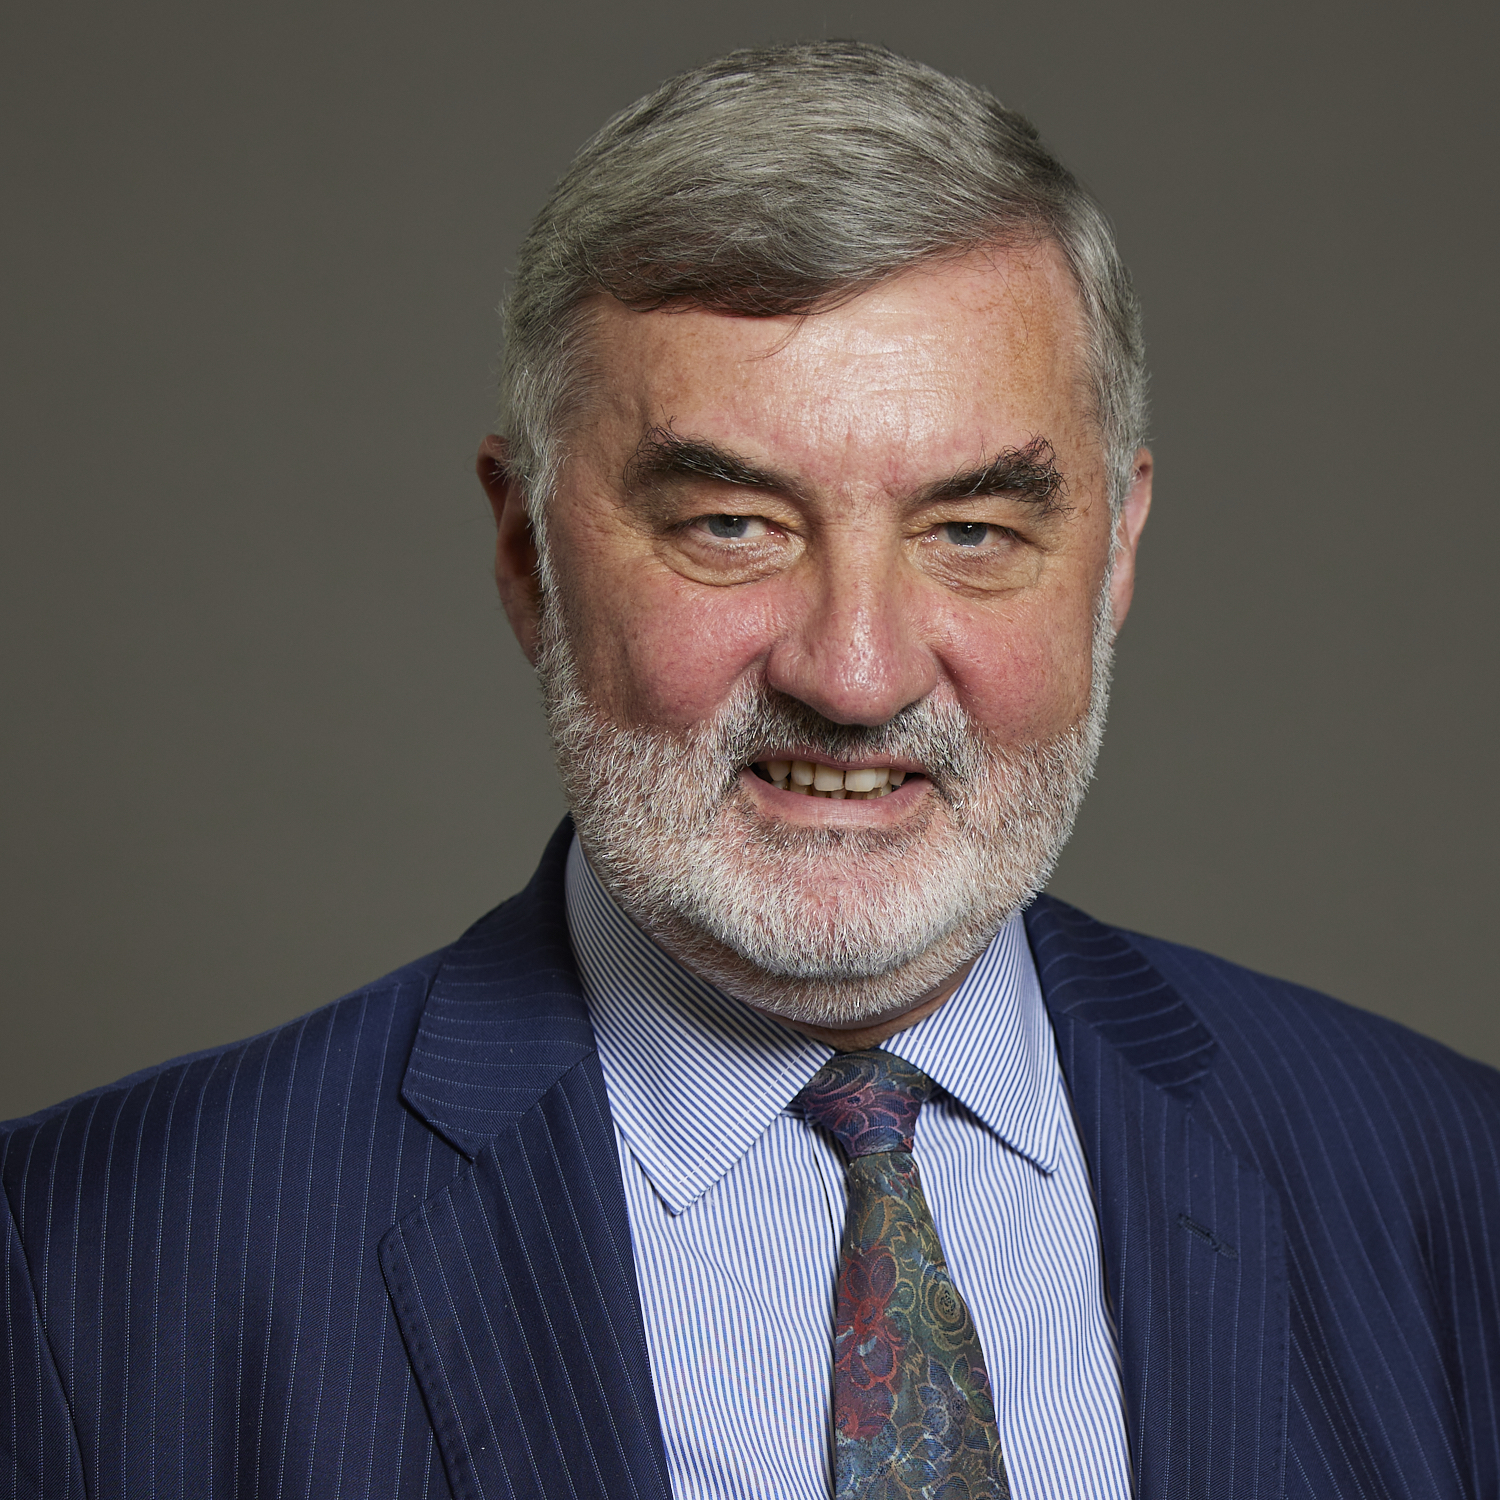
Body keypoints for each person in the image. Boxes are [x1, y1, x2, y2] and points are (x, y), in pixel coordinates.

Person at [3, 39, 1497, 1500]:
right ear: (527, 550)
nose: (854, 675)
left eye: (971, 531)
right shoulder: (88, 1263)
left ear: (1112, 553)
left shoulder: (1452, 1186)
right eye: (732, 525)